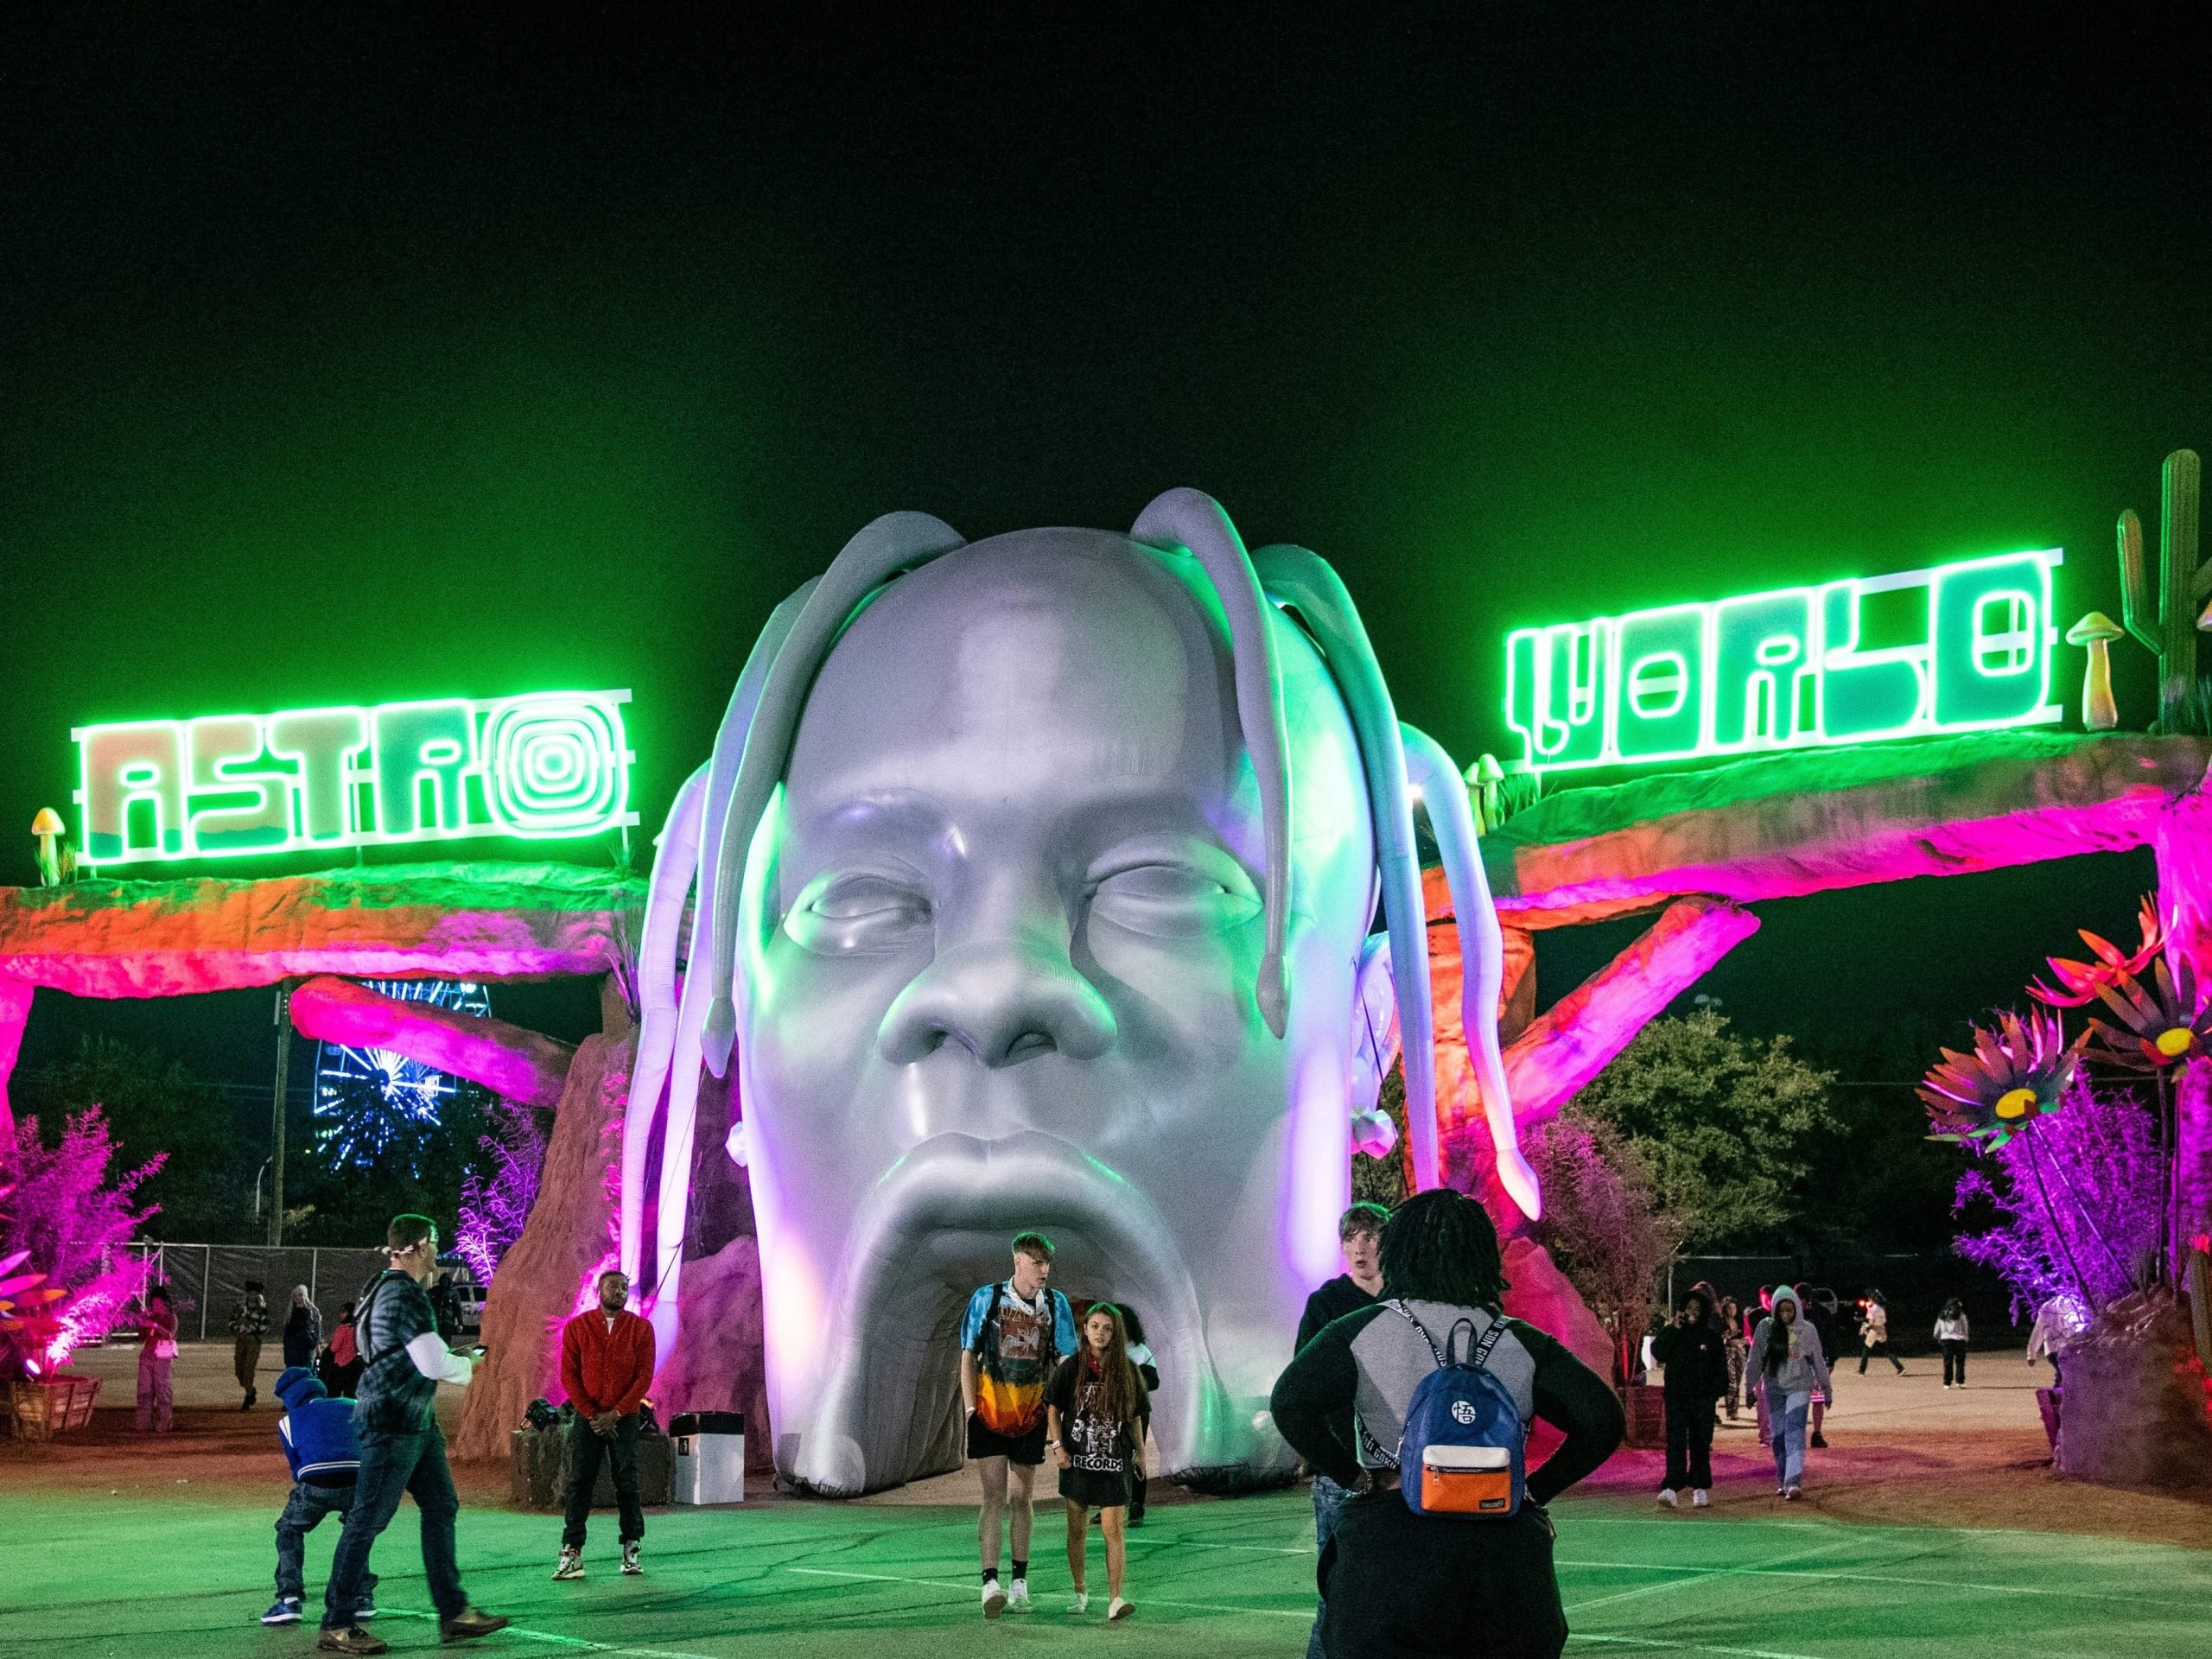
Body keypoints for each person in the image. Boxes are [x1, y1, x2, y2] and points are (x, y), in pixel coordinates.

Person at [1271, 1188, 1625, 1659]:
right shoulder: (1519, 1340)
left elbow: (1289, 1402)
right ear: (1483, 1256)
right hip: (1503, 1557)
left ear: (1397, 1251)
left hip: (1392, 1552)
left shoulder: (1359, 1331)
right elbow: (1603, 1419)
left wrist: (1355, 1477)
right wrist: (1536, 1490)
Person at [315, 1214, 508, 1656]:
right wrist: (470, 1365)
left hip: (410, 1420)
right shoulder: (407, 1296)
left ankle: (453, 1612)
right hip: (395, 1422)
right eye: (436, 1243)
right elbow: (432, 1364)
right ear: (420, 1245)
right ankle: (337, 1622)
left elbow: (396, 1352)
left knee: (440, 1506)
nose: (438, 1252)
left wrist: (446, 1358)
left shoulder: (376, 1287)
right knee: (367, 1521)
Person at [958, 1232, 1076, 1619]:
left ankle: (1019, 1583)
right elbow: (969, 1354)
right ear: (1018, 1262)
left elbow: (1064, 1361)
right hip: (990, 1414)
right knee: (992, 1497)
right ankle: (989, 1582)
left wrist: (1058, 1413)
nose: (1044, 1270)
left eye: (1047, 1263)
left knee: (1021, 1498)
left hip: (1031, 1417)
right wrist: (971, 1408)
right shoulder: (987, 1298)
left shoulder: (1056, 1305)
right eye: (1037, 1262)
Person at [1294, 1200, 1389, 1659]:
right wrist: (1310, 1447)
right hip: (1341, 1459)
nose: (1360, 1247)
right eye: (1351, 1238)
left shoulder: (1405, 1299)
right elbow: (1300, 1381)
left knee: (1397, 1576)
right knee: (1336, 1577)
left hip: (1400, 1459)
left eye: (1369, 1236)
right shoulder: (1326, 1303)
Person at [1046, 1303, 1148, 1620]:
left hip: (1113, 1463)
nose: (1100, 1333)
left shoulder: (1127, 1370)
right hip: (1077, 1461)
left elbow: (1134, 1415)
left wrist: (1141, 1452)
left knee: (1113, 1531)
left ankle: (1116, 1598)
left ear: (1115, 1333)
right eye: (1094, 1326)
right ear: (1085, 1330)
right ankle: (1080, 1591)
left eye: (1107, 1328)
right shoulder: (1072, 1367)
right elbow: (1052, 1407)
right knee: (1076, 1531)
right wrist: (1058, 1446)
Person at [553, 1268, 657, 1581]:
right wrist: (591, 1413)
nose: (620, 1292)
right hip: (589, 1418)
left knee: (627, 1479)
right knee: (580, 1481)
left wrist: (618, 1412)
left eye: (624, 1287)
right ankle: (572, 1552)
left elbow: (644, 1376)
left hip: (624, 1419)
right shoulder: (578, 1327)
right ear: (599, 1291)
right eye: (613, 1287)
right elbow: (569, 1374)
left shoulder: (641, 1329)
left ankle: (631, 1547)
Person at [263, 1365, 378, 1628]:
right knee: (356, 1531)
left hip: (316, 1482)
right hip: (357, 1479)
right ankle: (362, 1596)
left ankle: (289, 1599)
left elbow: (297, 1468)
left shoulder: (288, 1421)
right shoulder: (352, 1404)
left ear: (290, 1398)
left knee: (289, 1529)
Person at [1748, 1285, 1828, 1499]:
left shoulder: (1807, 1330)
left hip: (1800, 1387)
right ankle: (1783, 1478)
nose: (1785, 1315)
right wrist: (1749, 1386)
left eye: (1789, 1310)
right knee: (1778, 1435)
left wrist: (1826, 1388)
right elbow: (1755, 1359)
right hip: (1774, 1389)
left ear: (1796, 1309)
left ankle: (1794, 1481)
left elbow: (1818, 1359)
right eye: (1781, 1310)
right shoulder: (1765, 1329)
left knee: (1794, 1432)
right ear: (1775, 1310)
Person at [1650, 1288, 1728, 1508]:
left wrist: (1714, 1392)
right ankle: (1671, 1488)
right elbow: (1658, 1352)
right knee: (1675, 1442)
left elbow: (1720, 1369)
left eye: (1697, 1308)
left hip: (1702, 1400)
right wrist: (1673, 1329)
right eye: (1689, 1307)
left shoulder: (1711, 1338)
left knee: (1700, 1443)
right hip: (1677, 1397)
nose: (1692, 1312)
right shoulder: (1674, 1332)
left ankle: (1700, 1488)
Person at [1117, 1305, 1160, 1526]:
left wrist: (1134, 1378)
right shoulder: (1104, 1350)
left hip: (1137, 1412)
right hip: (1110, 1413)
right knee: (1112, 1457)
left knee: (1136, 1455)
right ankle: (1113, 1503)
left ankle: (1137, 1505)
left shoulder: (1140, 1350)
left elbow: (1154, 1382)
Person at [1797, 1285, 1839, 1449]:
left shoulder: (1821, 1314)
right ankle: (1797, 1434)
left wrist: (1831, 1361)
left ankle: (1817, 1433)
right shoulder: (1792, 1314)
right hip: (1797, 1363)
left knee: (1817, 1400)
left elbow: (1830, 1337)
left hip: (1815, 1362)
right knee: (1798, 1400)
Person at [137, 1283, 178, 1433]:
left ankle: (165, 1422)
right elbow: (141, 1339)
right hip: (147, 1356)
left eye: (158, 1303)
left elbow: (170, 1335)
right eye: (153, 1303)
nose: (155, 1306)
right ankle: (144, 1422)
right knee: (144, 1391)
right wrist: (142, 1324)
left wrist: (155, 1325)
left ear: (165, 1303)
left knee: (163, 1390)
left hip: (162, 1357)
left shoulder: (171, 1317)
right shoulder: (150, 1316)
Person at [2026, 1294, 2080, 1385]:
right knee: (2064, 1377)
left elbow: (2039, 1330)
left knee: (2062, 1376)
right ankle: (2060, 1396)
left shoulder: (2047, 1307)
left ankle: (2057, 1396)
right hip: (2063, 1348)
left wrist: (2032, 1354)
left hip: (2053, 1349)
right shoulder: (2073, 1305)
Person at [232, 1281, 270, 1410]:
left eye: (255, 1293)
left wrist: (252, 1327)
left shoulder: (262, 1309)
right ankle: (251, 1389)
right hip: (241, 1340)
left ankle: (248, 1397)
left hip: (254, 1341)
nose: (252, 1295)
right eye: (250, 1293)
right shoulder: (240, 1307)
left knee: (248, 1369)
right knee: (239, 1370)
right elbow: (231, 1322)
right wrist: (238, 1325)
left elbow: (265, 1327)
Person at [320, 1301, 364, 1398]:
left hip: (341, 1366)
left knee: (333, 1393)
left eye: (343, 1311)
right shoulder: (359, 1328)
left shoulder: (342, 1328)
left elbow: (334, 1348)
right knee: (351, 1395)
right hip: (356, 1365)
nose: (341, 1314)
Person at [1858, 1291, 1904, 1376]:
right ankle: (1900, 1368)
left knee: (1866, 1350)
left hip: (1874, 1332)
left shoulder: (1871, 1309)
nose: (1869, 1300)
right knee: (1887, 1351)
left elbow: (1871, 1322)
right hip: (1882, 1330)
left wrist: (1866, 1326)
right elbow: (1884, 1321)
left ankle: (1861, 1370)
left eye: (1870, 1299)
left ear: (1872, 1300)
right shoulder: (1882, 1309)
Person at [1718, 1295, 1747, 1420]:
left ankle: (1734, 1411)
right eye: (1729, 1308)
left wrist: (1743, 1341)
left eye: (1734, 1308)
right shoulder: (1720, 1322)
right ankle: (1729, 1409)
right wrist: (1727, 1340)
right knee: (1731, 1382)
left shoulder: (1740, 1321)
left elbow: (1747, 1336)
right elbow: (1717, 1339)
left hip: (1740, 1352)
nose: (1732, 1311)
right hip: (1727, 1352)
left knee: (1738, 1381)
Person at [284, 1286, 322, 1370]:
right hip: (292, 1350)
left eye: (300, 1295)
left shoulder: (313, 1311)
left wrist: (318, 1346)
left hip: (306, 1348)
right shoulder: (291, 1311)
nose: (297, 1298)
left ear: (305, 1296)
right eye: (295, 1296)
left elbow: (317, 1328)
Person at [1936, 1298, 1971, 1388]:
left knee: (1948, 1361)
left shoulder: (1942, 1314)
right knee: (1960, 1362)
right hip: (1959, 1340)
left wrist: (1938, 1337)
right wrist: (1966, 1337)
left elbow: (1937, 1328)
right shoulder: (1961, 1315)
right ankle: (1959, 1381)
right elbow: (1965, 1327)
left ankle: (1947, 1382)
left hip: (1946, 1340)